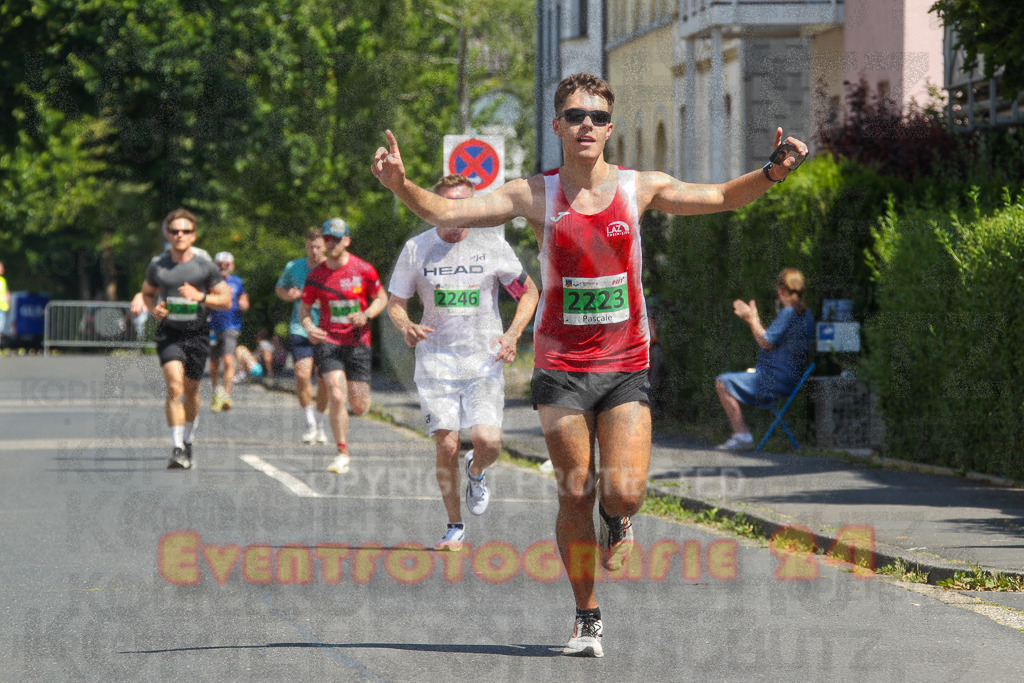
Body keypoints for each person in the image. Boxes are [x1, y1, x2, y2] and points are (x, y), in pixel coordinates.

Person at [372, 72, 808, 658]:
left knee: (623, 492)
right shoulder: (533, 193)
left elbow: (722, 196)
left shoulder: (639, 186)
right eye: (576, 115)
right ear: (557, 125)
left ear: (610, 128)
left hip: (625, 359)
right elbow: (445, 209)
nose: (587, 125)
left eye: (598, 117)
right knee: (575, 492)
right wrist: (402, 184)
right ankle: (586, 616)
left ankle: (621, 519)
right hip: (560, 365)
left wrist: (774, 171)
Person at [386, 174, 539, 552]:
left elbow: (528, 292)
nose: (455, 216)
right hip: (436, 360)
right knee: (446, 444)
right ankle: (454, 525)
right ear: (435, 208)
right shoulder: (417, 249)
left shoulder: (492, 246)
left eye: (463, 206)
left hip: (483, 360)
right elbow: (396, 303)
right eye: (447, 206)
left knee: (488, 442)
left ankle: (477, 470)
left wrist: (513, 334)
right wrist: (406, 326)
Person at [140, 209, 232, 470]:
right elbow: (147, 294)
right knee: (174, 387)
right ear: (168, 235)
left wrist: (200, 297)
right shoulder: (158, 266)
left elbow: (225, 300)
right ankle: (177, 447)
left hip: (197, 334)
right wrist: (153, 309)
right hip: (169, 334)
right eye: (174, 231)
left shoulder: (205, 267)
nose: (180, 235)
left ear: (194, 235)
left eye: (185, 231)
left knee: (191, 392)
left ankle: (189, 440)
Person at [299, 218, 387, 474]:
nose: (331, 243)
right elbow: (305, 309)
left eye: (337, 239)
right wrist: (309, 327)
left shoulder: (363, 269)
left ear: (347, 241)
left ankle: (355, 411)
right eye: (327, 238)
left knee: (358, 404)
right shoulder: (316, 275)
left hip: (358, 341)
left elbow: (381, 298)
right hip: (330, 340)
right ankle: (341, 451)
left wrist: (367, 314)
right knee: (337, 394)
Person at [714, 268, 815, 450]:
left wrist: (751, 319)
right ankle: (742, 435)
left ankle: (741, 434)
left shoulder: (789, 313)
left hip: (774, 380)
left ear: (782, 291)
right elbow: (771, 338)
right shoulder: (806, 315)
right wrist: (755, 318)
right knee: (732, 379)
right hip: (790, 378)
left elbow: (766, 342)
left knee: (722, 382)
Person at [276, 229, 331, 444]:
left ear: (325, 246)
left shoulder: (332, 267)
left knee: (323, 380)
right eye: (311, 247)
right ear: (306, 246)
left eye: (319, 247)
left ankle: (320, 422)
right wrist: (288, 294)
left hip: (327, 329)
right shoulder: (294, 266)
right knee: (301, 374)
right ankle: (310, 422)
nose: (315, 251)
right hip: (300, 327)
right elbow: (280, 287)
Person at [208, 251, 250, 412]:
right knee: (213, 363)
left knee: (228, 360)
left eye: (226, 265)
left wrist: (243, 302)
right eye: (220, 265)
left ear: (232, 266)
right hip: (212, 325)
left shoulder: (237, 282)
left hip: (231, 326)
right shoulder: (209, 282)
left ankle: (227, 394)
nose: (223, 267)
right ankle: (214, 391)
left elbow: (244, 299)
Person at [0, 261, 9, 339]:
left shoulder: (3, 280)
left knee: (1, 329)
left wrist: (7, 304)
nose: (2, 269)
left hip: (2, 307)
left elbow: (6, 293)